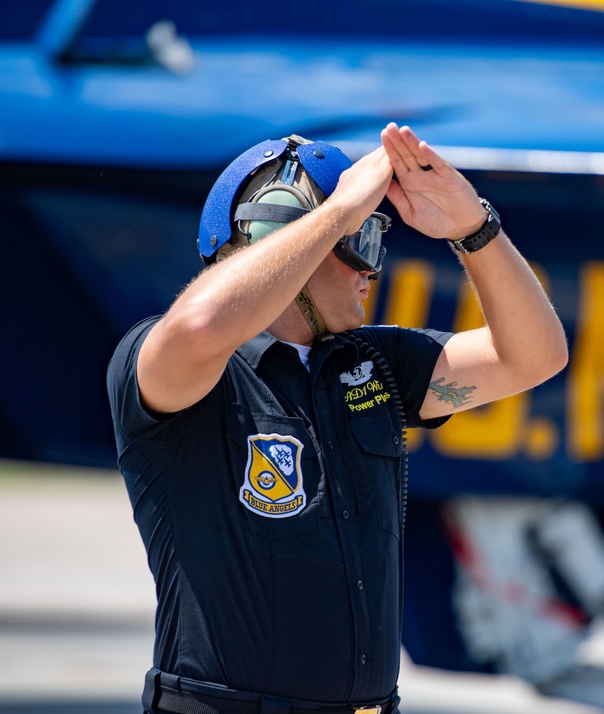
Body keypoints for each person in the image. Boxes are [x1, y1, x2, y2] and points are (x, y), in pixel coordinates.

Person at [106, 122, 568, 714]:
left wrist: (474, 230)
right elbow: (199, 327)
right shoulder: (175, 366)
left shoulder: (374, 363)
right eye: (362, 241)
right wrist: (339, 209)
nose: (372, 270)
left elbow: (535, 356)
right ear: (284, 229)